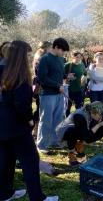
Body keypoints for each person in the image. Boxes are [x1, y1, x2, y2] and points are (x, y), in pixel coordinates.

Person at [0, 40, 58, 201]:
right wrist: (30, 121)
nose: (28, 57)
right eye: (27, 54)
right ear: (20, 56)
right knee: (31, 161)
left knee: (6, 160)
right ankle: (37, 198)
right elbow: (21, 105)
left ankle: (5, 193)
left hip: (2, 128)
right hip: (17, 127)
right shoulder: (18, 75)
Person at [37, 38, 70, 154]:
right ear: (56, 47)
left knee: (58, 119)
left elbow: (59, 72)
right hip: (47, 95)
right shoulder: (45, 59)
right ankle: (42, 145)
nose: (63, 53)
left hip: (59, 94)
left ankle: (54, 141)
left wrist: (67, 76)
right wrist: (57, 86)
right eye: (62, 50)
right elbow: (42, 78)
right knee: (46, 120)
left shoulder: (61, 59)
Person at [56, 101, 103, 166]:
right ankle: (72, 153)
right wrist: (99, 125)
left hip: (81, 130)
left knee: (94, 132)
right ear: (94, 112)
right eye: (101, 114)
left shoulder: (93, 115)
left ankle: (79, 146)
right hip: (64, 132)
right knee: (72, 131)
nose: (101, 117)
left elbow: (100, 135)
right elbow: (87, 136)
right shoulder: (80, 116)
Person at [32, 41, 52, 137]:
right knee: (41, 108)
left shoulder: (39, 57)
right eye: (50, 47)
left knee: (39, 107)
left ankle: (36, 129)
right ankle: (36, 129)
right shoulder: (42, 58)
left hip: (40, 85)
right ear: (46, 48)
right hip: (42, 86)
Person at [64, 51, 86, 117]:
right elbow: (61, 75)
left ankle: (78, 121)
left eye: (80, 57)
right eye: (77, 57)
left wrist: (84, 77)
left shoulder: (82, 65)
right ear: (72, 57)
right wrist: (68, 76)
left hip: (79, 89)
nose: (78, 58)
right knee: (68, 107)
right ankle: (67, 121)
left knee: (79, 106)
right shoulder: (68, 65)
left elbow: (84, 73)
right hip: (69, 89)